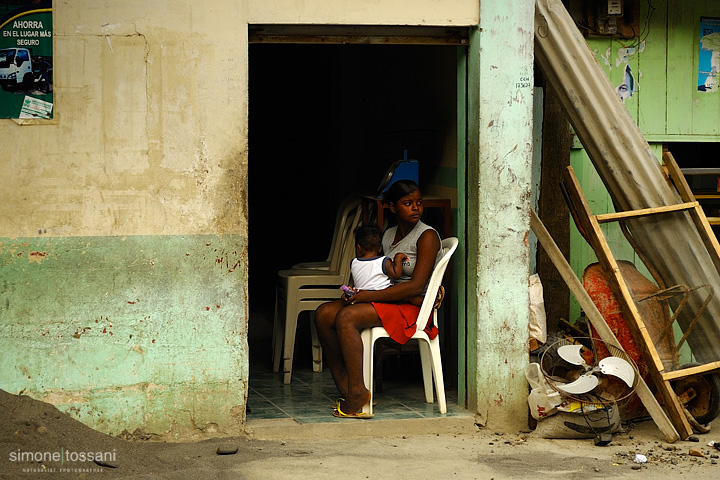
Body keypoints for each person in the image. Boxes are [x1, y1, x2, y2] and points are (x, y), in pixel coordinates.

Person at [314, 180, 442, 418]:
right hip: (383, 299)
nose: (416, 208)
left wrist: (367, 296)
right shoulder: (388, 235)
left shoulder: (427, 236)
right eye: (407, 203)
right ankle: (349, 387)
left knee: (347, 317)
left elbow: (416, 286)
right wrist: (356, 290)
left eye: (419, 203)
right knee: (323, 314)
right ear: (392, 207)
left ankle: (356, 394)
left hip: (410, 306)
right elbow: (375, 271)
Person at [344, 223, 407, 296]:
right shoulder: (384, 261)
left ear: (358, 248)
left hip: (361, 295)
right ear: (380, 249)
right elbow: (396, 275)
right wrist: (398, 258)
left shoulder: (353, 263)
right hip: (381, 296)